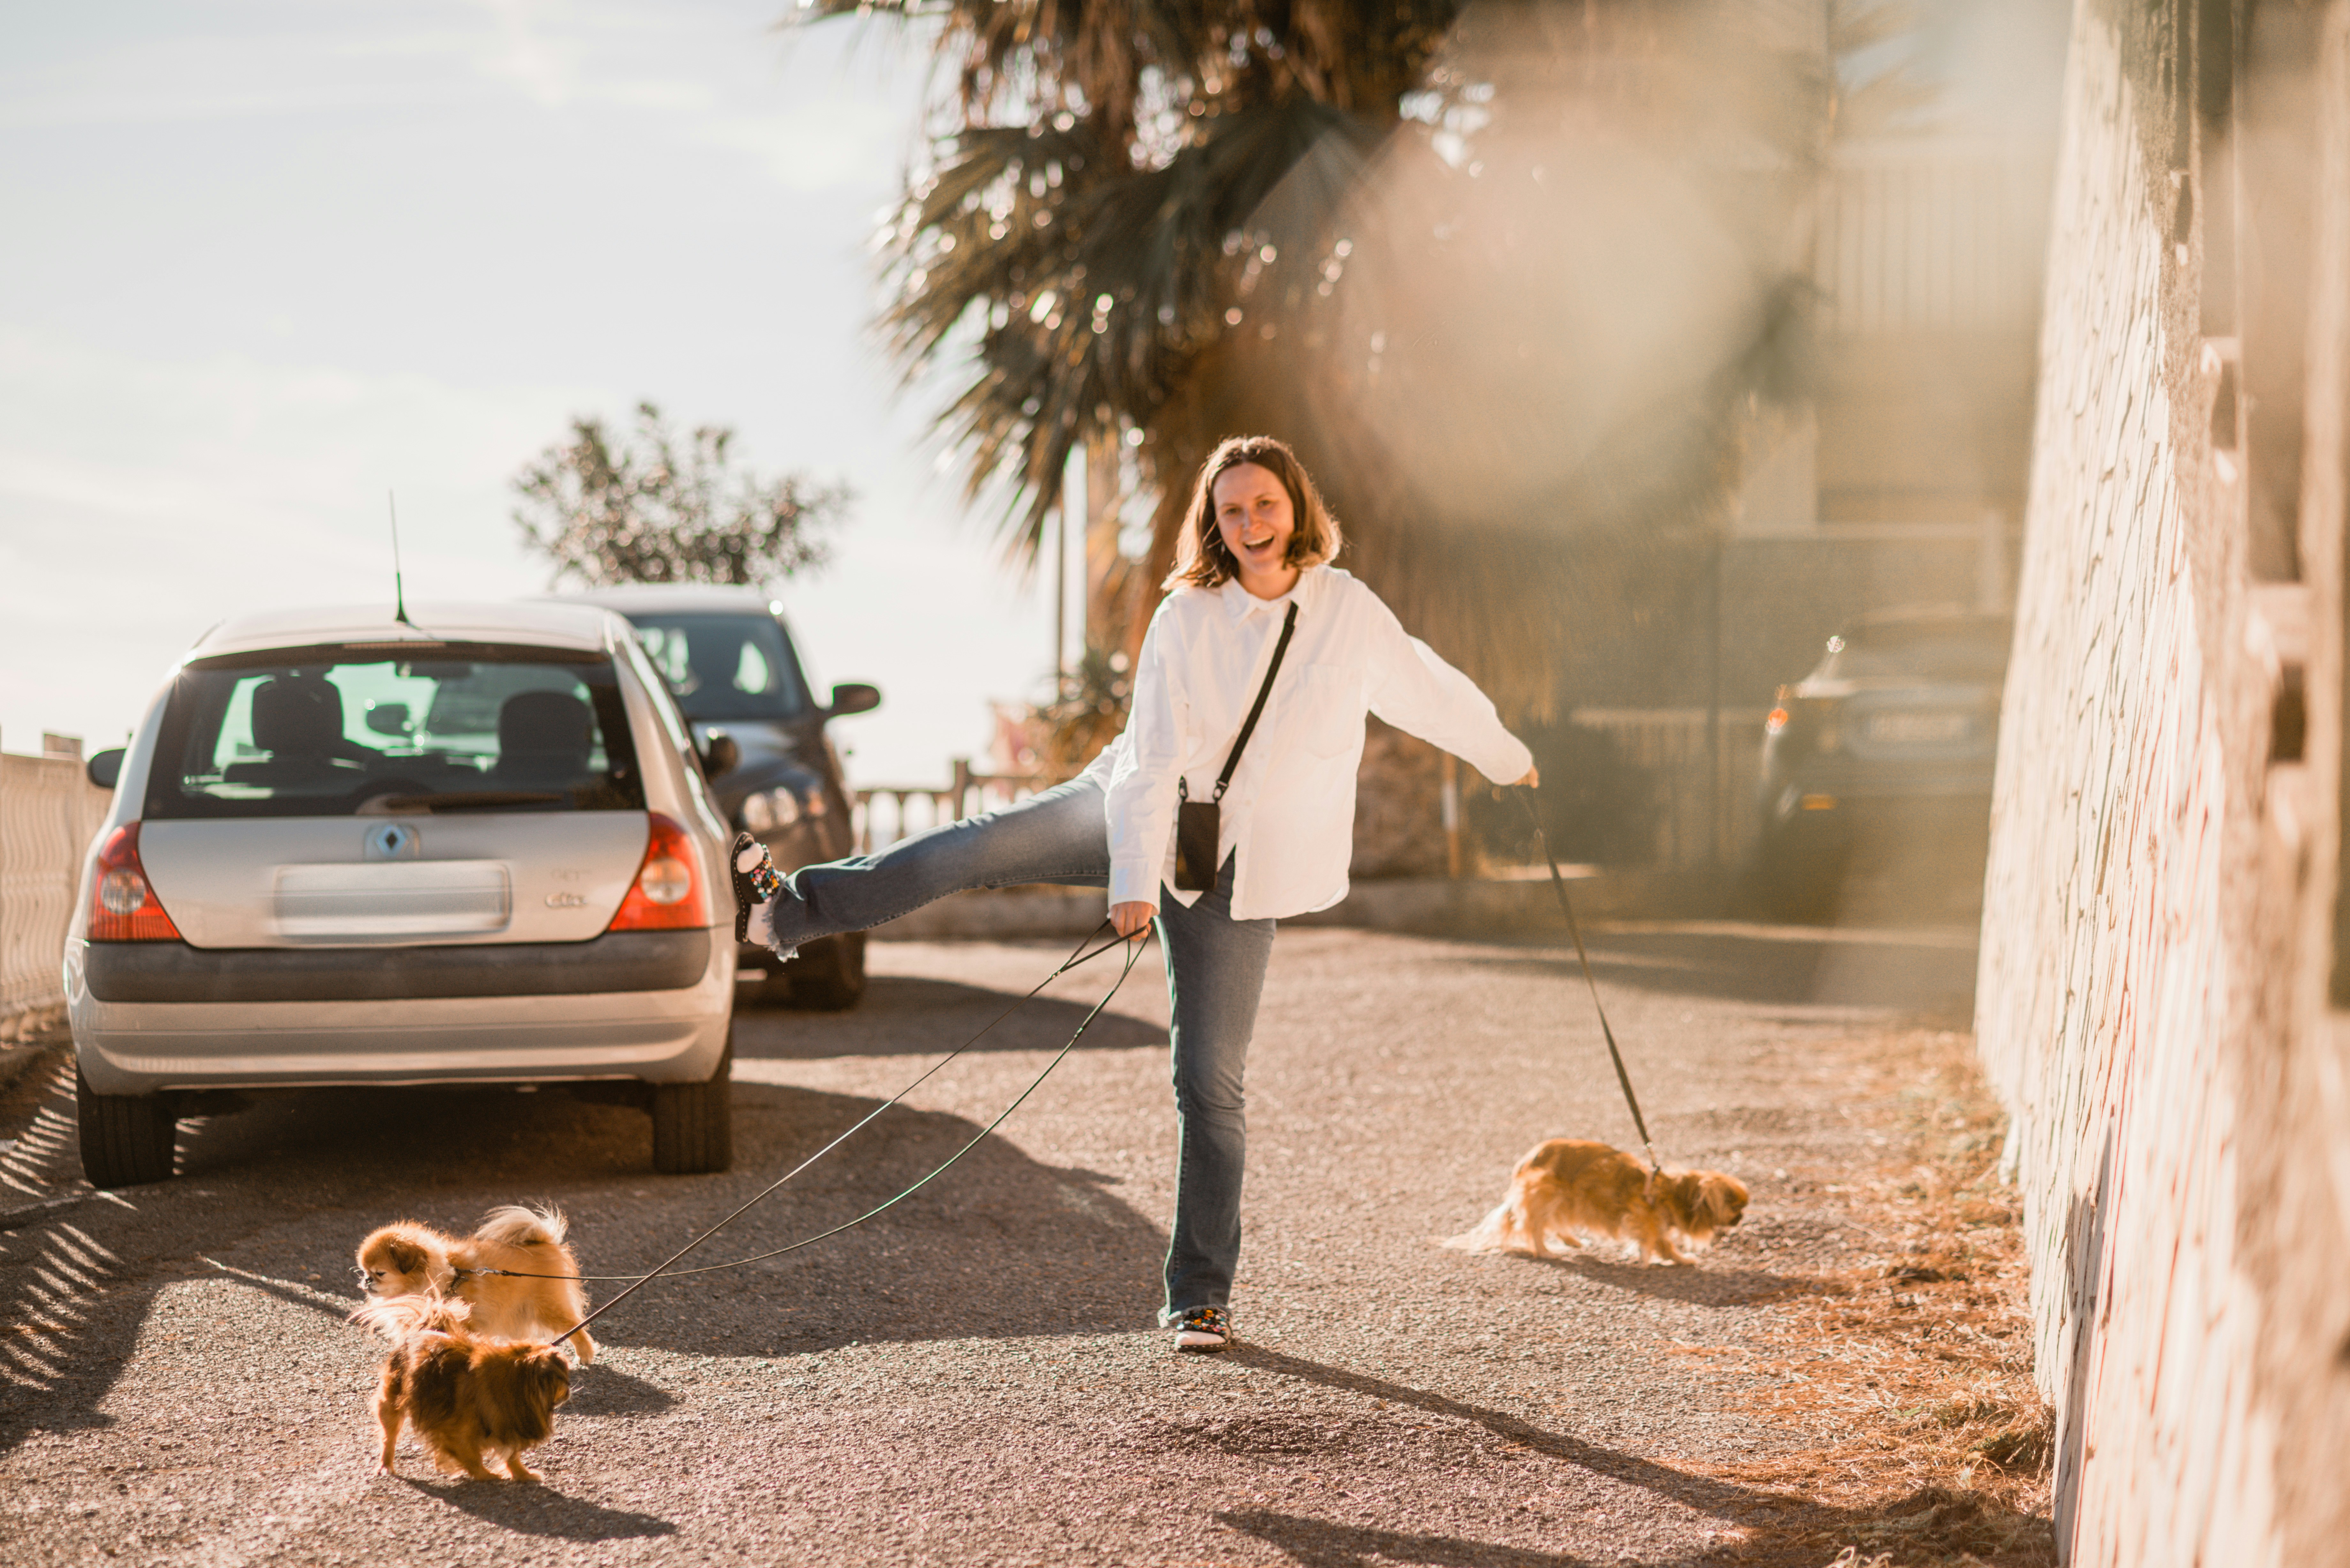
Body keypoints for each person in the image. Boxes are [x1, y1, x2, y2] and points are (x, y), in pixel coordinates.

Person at [732, 435, 1536, 1353]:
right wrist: (1132, 879)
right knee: (974, 847)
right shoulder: (1187, 615)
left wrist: (1508, 759)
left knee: (1210, 1085)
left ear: (1296, 510)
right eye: (1232, 510)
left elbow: (1427, 689)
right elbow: (1153, 755)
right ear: (1214, 523)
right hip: (1130, 807)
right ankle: (786, 910)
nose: (1251, 524)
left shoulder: (1346, 610)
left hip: (1241, 874)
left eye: (1265, 505)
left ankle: (1200, 1297)